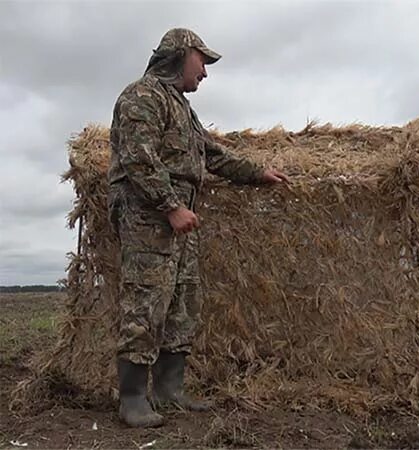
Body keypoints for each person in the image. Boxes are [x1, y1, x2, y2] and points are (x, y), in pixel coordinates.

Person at [107, 28, 289, 428]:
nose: (205, 71)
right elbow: (138, 158)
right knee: (145, 302)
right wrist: (170, 206)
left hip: (176, 218)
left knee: (182, 302)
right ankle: (133, 399)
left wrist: (259, 173)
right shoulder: (143, 96)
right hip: (148, 215)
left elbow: (212, 155)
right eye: (202, 61)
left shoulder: (182, 109)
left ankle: (170, 391)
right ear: (178, 55)